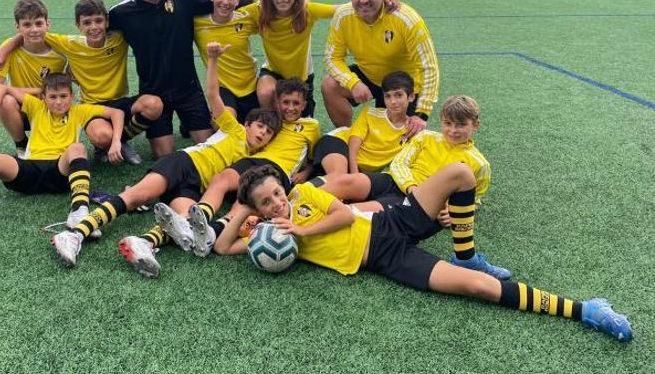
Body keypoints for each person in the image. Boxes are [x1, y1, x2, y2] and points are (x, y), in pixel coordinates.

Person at [214, 165, 632, 343]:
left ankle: (466, 252)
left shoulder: (305, 196)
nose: (275, 205)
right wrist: (246, 210)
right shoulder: (270, 235)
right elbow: (223, 246)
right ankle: (586, 310)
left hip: (389, 224)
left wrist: (301, 227)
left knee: (460, 174)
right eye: (264, 203)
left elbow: (342, 217)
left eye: (274, 194)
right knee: (479, 288)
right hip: (385, 260)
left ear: (283, 188)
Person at [49, 42, 281, 275]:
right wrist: (213, 59)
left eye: (268, 133)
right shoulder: (235, 129)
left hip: (195, 186)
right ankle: (74, 234)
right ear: (248, 124)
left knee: (186, 222)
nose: (262, 133)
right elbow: (212, 93)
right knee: (134, 196)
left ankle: (144, 242)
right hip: (183, 163)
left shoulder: (255, 160)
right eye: (260, 126)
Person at [0, 73, 124, 247]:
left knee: (78, 148)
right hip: (28, 169)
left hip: (60, 171)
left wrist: (116, 142)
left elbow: (117, 113)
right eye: (52, 97)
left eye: (63, 96)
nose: (58, 102)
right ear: (44, 98)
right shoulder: (36, 107)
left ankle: (79, 213)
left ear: (71, 97)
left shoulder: (80, 111)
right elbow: (0, 87)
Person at [319, 95, 507, 280]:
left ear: (475, 125)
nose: (452, 130)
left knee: (355, 212)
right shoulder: (426, 137)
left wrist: (452, 212)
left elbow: (475, 197)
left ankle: (311, 223)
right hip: (398, 183)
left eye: (460, 125)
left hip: (421, 203)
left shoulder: (480, 164)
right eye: (448, 123)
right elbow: (399, 164)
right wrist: (411, 187)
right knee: (348, 182)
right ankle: (301, 197)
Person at [0, 0, 163, 165]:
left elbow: (35, 33)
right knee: (7, 100)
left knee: (153, 104)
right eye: (87, 22)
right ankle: (22, 146)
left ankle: (120, 141)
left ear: (107, 21)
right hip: (79, 104)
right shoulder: (67, 45)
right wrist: (5, 49)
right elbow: (30, 35)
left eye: (98, 21)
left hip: (115, 100)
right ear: (78, 25)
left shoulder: (118, 38)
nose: (93, 27)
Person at [159, 77, 320, 259]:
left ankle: (214, 230)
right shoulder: (272, 122)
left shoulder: (311, 126)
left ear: (304, 104)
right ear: (277, 102)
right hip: (253, 160)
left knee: (246, 203)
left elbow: (314, 158)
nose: (290, 108)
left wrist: (305, 172)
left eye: (296, 103)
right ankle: (195, 221)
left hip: (278, 169)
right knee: (221, 180)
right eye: (286, 102)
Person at [108, 0, 228, 158]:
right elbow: (94, 31)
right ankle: (125, 138)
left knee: (208, 150)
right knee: (164, 155)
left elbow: (222, 2)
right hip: (154, 93)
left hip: (188, 90)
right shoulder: (121, 12)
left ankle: (188, 123)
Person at [322, 0, 439, 140]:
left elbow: (429, 68)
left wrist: (421, 114)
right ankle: (347, 135)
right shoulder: (343, 16)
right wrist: (353, 83)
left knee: (403, 141)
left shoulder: (406, 19)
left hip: (403, 86)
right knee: (330, 85)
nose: (363, 0)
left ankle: (402, 116)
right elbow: (332, 58)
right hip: (370, 78)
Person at [243, 0, 336, 117]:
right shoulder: (259, 12)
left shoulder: (307, 11)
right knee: (266, 92)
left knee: (300, 124)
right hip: (273, 72)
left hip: (302, 78)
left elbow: (342, 9)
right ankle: (273, 125)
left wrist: (382, 0)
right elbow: (227, 8)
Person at [0, 0, 69, 156]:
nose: (34, 29)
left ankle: (54, 136)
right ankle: (22, 145)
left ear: (47, 24)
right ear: (18, 27)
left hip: (49, 107)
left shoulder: (60, 51)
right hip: (21, 109)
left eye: (38, 23)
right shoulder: (8, 49)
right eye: (27, 25)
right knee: (5, 100)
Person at [312, 71, 415, 177]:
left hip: (356, 168)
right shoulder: (369, 113)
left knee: (340, 188)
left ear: (411, 97)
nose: (393, 101)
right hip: (338, 142)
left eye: (398, 95)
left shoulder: (413, 130)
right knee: (339, 178)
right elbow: (353, 146)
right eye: (388, 96)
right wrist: (355, 175)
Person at [193, 0, 260, 123]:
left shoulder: (246, 17)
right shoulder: (197, 22)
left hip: (251, 86)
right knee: (225, 123)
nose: (225, 2)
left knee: (263, 128)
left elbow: (270, 9)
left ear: (238, 0)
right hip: (223, 89)